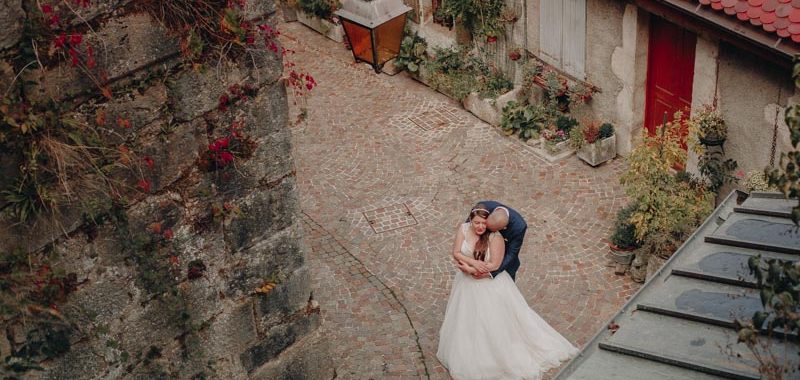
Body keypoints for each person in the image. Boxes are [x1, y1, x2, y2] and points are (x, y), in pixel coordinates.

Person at [437, 203, 578, 380]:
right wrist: (471, 264)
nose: (482, 227)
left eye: (484, 225)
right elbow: (457, 252)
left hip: (489, 280)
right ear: (474, 220)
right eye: (478, 223)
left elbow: (500, 262)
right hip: (466, 284)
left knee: (494, 318)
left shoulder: (503, 233)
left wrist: (476, 271)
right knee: (467, 317)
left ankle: (495, 351)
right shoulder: (470, 223)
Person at [466, 200, 527, 281]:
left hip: (504, 265)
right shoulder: (482, 208)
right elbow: (468, 229)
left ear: (503, 228)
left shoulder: (519, 227)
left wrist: (490, 273)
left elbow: (511, 253)